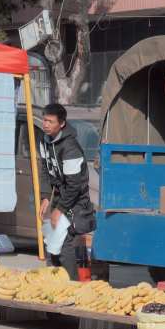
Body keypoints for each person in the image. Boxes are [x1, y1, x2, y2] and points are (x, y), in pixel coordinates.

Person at [38, 103, 96, 281]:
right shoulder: (45, 141)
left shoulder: (70, 148)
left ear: (61, 123)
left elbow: (74, 185)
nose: (45, 124)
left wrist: (59, 209)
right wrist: (46, 197)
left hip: (76, 202)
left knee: (64, 246)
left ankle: (72, 286)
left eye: (50, 121)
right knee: (52, 246)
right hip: (60, 198)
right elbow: (45, 172)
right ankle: (54, 284)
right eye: (44, 120)